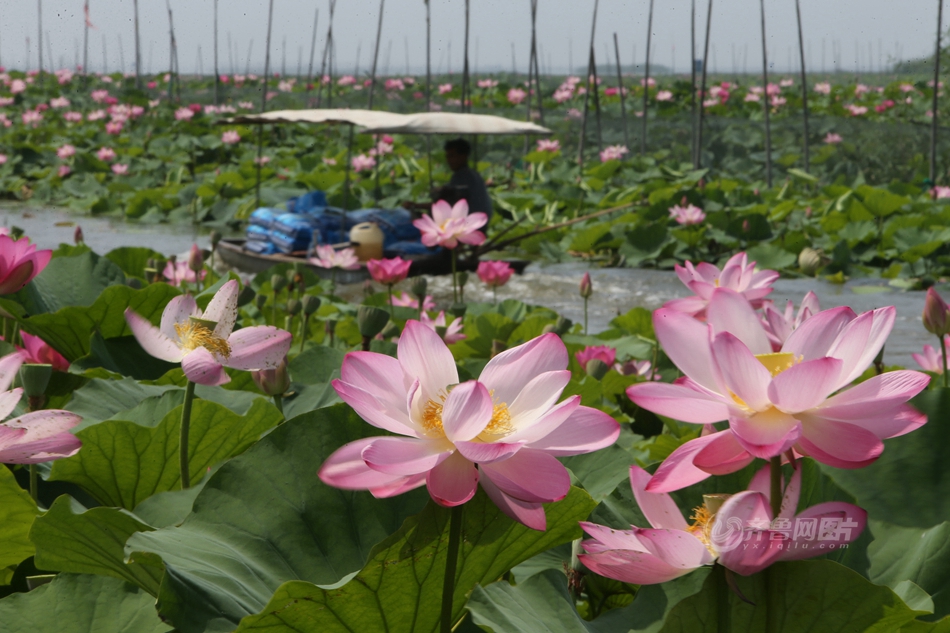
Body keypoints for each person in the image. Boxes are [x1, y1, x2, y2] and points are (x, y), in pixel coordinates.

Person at [404, 138, 493, 220]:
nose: (448, 160)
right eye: (447, 157)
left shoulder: (463, 176)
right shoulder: (472, 175)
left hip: (468, 223)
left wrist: (416, 205)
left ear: (463, 156)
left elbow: (445, 204)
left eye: (451, 156)